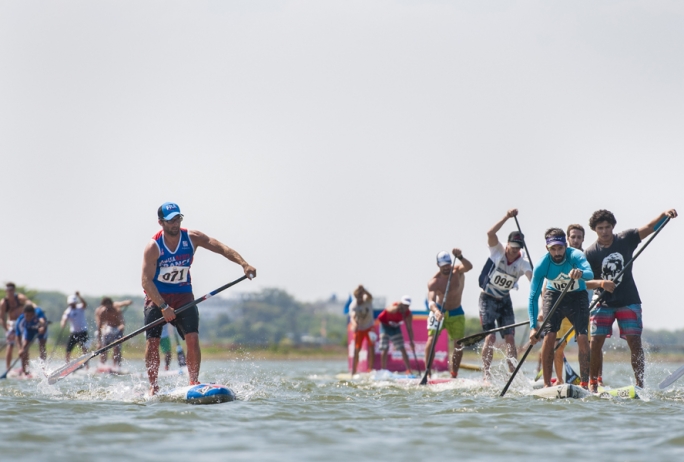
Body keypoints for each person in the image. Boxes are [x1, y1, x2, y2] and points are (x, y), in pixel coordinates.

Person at [142, 202, 256, 395]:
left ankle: (193, 381)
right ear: (161, 222)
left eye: (178, 218)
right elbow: (146, 282)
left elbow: (220, 247)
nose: (175, 224)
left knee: (192, 338)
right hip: (157, 297)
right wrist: (163, 306)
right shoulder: (153, 246)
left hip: (183, 294)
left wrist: (244, 264)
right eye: (170, 221)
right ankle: (153, 386)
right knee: (153, 343)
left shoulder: (192, 238)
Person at [585, 208, 677, 392]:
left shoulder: (625, 239)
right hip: (603, 302)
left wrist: (664, 214)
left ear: (613, 227)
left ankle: (640, 384)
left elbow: (650, 227)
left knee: (634, 342)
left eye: (607, 227)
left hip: (629, 300)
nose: (604, 231)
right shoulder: (590, 253)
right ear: (595, 229)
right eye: (600, 228)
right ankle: (592, 384)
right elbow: (584, 283)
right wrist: (602, 283)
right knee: (595, 343)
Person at [528, 228, 593, 389]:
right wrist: (532, 326)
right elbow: (533, 297)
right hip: (554, 295)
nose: (557, 253)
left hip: (577, 296)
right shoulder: (542, 265)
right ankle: (546, 384)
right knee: (549, 336)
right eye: (553, 249)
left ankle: (585, 384)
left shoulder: (575, 256)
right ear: (547, 249)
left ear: (566, 245)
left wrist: (580, 273)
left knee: (583, 337)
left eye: (560, 248)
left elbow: (590, 274)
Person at [478, 209, 532, 379]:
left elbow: (534, 282)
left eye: (517, 249)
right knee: (491, 337)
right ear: (507, 244)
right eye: (512, 247)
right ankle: (486, 375)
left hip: (504, 301)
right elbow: (490, 232)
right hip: (487, 299)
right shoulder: (497, 250)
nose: (513, 251)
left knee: (510, 338)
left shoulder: (524, 263)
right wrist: (507, 217)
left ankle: (513, 375)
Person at [426, 249, 473, 378]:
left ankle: (454, 374)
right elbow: (430, 301)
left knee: (459, 344)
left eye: (448, 264)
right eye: (443, 265)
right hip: (439, 311)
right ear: (438, 265)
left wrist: (460, 257)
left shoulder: (457, 271)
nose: (446, 267)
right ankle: (428, 373)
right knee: (431, 340)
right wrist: (436, 311)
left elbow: (469, 267)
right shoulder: (434, 281)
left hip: (457, 312)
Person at [377, 296, 414, 373]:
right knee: (385, 348)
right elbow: (389, 310)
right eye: (404, 305)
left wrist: (412, 341)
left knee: (402, 348)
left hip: (395, 327)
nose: (406, 307)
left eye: (407, 305)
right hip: (385, 325)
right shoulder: (394, 305)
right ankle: (383, 370)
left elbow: (410, 328)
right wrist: (398, 308)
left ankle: (408, 369)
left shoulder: (408, 314)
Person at [95, 297, 131, 368]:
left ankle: (116, 366)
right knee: (104, 348)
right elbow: (99, 327)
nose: (108, 309)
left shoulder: (116, 309)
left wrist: (121, 328)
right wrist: (99, 342)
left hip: (117, 329)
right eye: (106, 307)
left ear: (111, 304)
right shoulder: (102, 312)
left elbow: (122, 323)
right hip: (108, 329)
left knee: (116, 348)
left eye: (109, 306)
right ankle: (102, 365)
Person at [1, 282, 30, 370]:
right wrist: (6, 329)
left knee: (24, 346)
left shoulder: (19, 297)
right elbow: (1, 318)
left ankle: (25, 369)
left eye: (11, 290)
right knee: (10, 346)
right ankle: (8, 368)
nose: (10, 292)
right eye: (8, 290)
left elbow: (28, 302)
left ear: (14, 290)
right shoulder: (4, 302)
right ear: (6, 291)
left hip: (22, 323)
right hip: (12, 324)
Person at [349, 285, 375, 375]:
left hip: (369, 327)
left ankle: (370, 369)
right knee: (357, 349)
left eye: (361, 297)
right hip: (359, 328)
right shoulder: (353, 305)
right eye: (358, 297)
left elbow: (370, 296)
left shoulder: (367, 300)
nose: (360, 299)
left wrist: (364, 290)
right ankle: (354, 371)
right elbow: (352, 317)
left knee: (371, 347)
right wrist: (355, 324)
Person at [15, 303, 48, 375]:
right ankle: (25, 371)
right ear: (24, 313)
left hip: (39, 328)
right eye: (26, 315)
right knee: (24, 348)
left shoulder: (38, 312)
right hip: (29, 330)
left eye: (30, 315)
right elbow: (17, 336)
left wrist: (42, 327)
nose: (28, 317)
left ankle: (44, 369)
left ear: (33, 314)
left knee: (42, 345)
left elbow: (43, 322)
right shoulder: (20, 320)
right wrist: (20, 349)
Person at [60, 292, 89, 363]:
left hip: (83, 332)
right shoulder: (68, 311)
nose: (72, 305)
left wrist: (79, 296)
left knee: (84, 348)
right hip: (74, 333)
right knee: (68, 350)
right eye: (70, 304)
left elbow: (85, 304)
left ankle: (87, 365)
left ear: (75, 302)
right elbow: (64, 319)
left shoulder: (80, 307)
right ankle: (67, 364)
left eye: (73, 303)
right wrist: (63, 324)